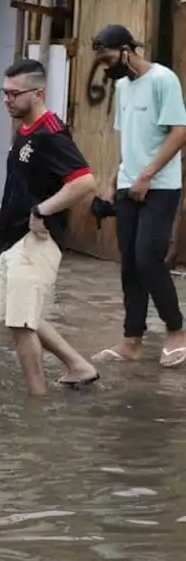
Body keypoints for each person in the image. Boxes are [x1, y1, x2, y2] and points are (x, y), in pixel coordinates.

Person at [0, 59, 100, 396]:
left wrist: (41, 210)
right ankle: (78, 366)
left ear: (38, 94)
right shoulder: (25, 131)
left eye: (14, 94)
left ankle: (36, 403)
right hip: (16, 235)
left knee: (21, 324)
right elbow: (33, 182)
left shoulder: (51, 134)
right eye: (3, 93)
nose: (7, 100)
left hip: (36, 240)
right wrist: (3, 208)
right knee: (19, 318)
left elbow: (84, 182)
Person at [90, 25, 186, 369]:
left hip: (160, 187)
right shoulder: (121, 87)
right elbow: (128, 140)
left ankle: (177, 331)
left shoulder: (163, 80)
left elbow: (179, 132)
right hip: (129, 185)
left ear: (128, 50)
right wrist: (115, 179)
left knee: (148, 257)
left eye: (108, 58)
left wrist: (147, 175)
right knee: (129, 262)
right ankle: (132, 340)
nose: (106, 66)